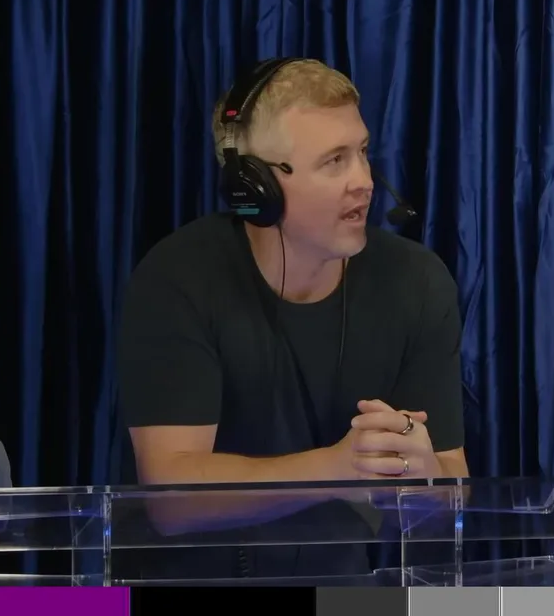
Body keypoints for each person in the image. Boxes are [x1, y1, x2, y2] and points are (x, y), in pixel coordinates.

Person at [116, 58, 468, 580]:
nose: (364, 182)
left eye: (363, 152)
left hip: (343, 587)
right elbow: (172, 500)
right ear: (255, 185)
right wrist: (336, 468)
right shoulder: (179, 277)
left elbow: (450, 493)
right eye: (334, 161)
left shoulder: (416, 281)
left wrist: (423, 479)